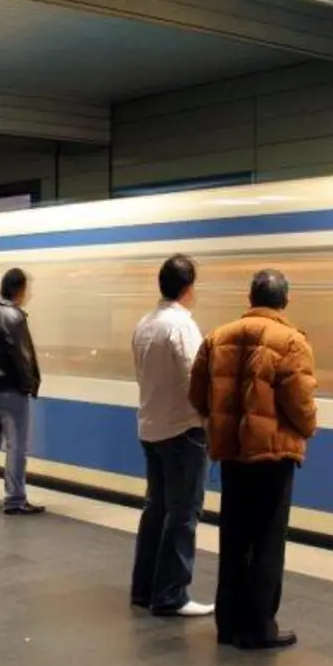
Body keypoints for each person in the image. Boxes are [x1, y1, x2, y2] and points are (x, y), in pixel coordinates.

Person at [189, 269, 318, 650]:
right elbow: (300, 405)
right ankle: (259, 626)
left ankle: (228, 624)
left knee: (234, 536)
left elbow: (197, 396)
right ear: (285, 301)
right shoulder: (293, 342)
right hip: (273, 455)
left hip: (232, 455)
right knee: (266, 540)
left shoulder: (217, 336)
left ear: (250, 298)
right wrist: (308, 427)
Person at [130, 255, 213, 617]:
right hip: (182, 431)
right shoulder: (181, 326)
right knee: (183, 513)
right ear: (188, 287)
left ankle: (144, 588)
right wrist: (210, 418)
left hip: (150, 428)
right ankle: (170, 595)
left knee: (156, 508)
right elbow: (196, 378)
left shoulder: (144, 324)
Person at [0, 268, 44, 515]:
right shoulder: (14, 317)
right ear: (19, 289)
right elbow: (23, 356)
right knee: (16, 446)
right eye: (27, 288)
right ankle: (15, 499)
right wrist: (30, 384)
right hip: (11, 391)